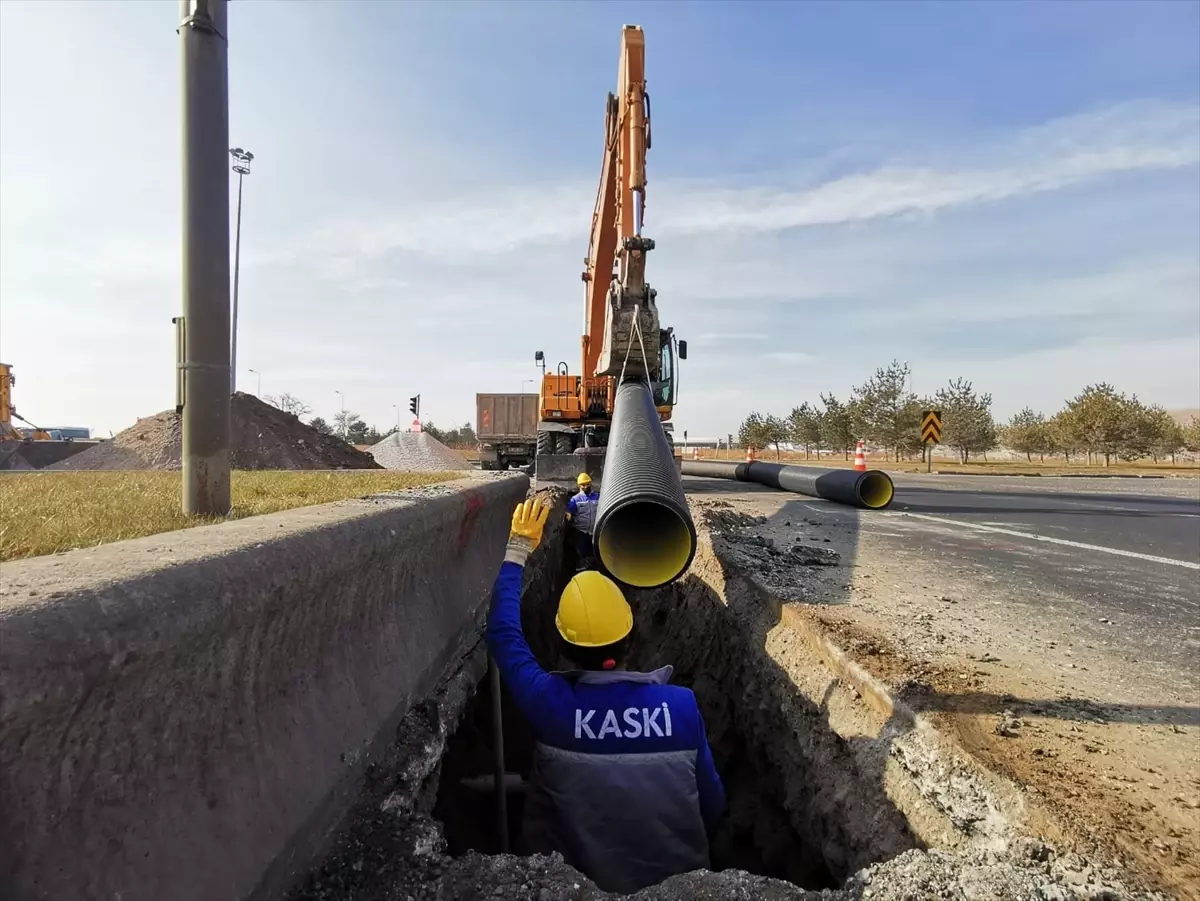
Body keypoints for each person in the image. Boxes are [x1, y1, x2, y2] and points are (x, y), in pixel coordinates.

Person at [486, 497, 725, 894]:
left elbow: (503, 634)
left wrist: (516, 550)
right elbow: (712, 804)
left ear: (563, 645)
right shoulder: (681, 707)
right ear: (630, 635)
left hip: (570, 886)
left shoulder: (549, 703)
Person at [565, 472, 599, 570]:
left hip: (594, 530)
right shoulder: (575, 499)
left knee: (593, 552)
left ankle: (594, 568)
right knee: (581, 553)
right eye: (583, 485)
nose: (586, 486)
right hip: (580, 531)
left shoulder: (597, 496)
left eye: (588, 484)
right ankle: (581, 569)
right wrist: (568, 515)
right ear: (579, 486)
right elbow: (570, 511)